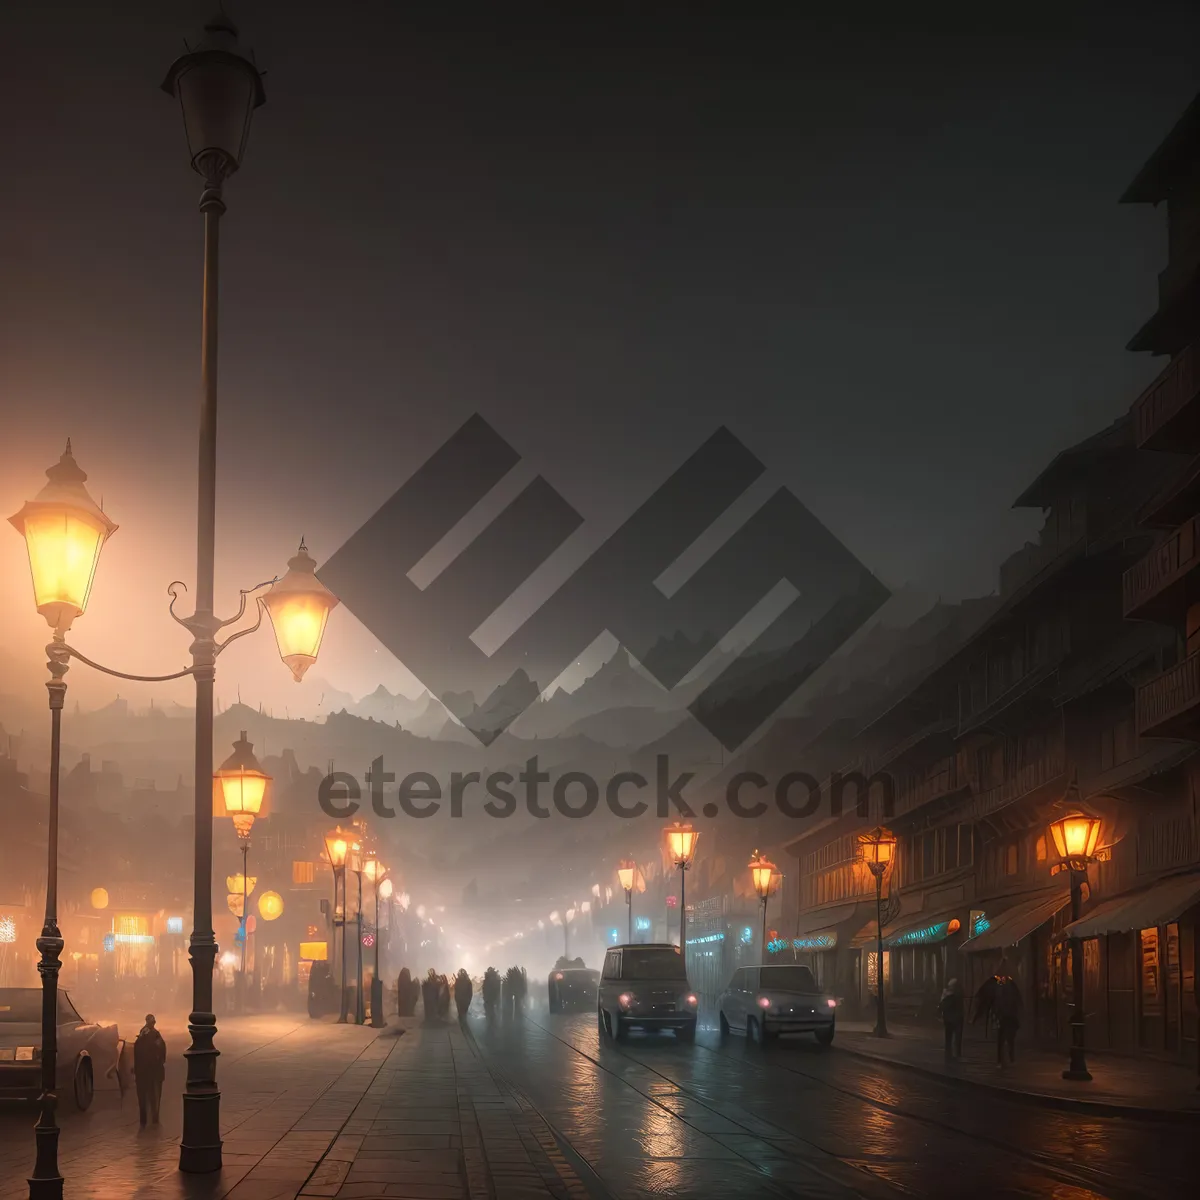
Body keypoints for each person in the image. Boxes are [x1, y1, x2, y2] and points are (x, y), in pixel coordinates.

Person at [132, 1014, 166, 1126]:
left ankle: (144, 1120)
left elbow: (136, 1054)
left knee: (143, 1096)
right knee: (153, 1096)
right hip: (153, 1071)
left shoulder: (141, 1036)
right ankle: (154, 1117)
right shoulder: (156, 1036)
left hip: (142, 1072)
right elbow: (162, 1054)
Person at [992, 959, 1022, 1069]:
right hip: (1007, 1016)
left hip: (1006, 1016)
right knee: (1008, 1039)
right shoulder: (1008, 986)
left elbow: (1001, 1002)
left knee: (1005, 1039)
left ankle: (1004, 1060)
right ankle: (1008, 1059)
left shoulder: (1004, 987)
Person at [938, 978, 965, 1059]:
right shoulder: (959, 994)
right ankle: (957, 1053)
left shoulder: (946, 995)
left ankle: (949, 1053)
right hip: (957, 1019)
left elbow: (942, 1005)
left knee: (949, 1037)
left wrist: (939, 1013)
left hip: (949, 1019)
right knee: (957, 1037)